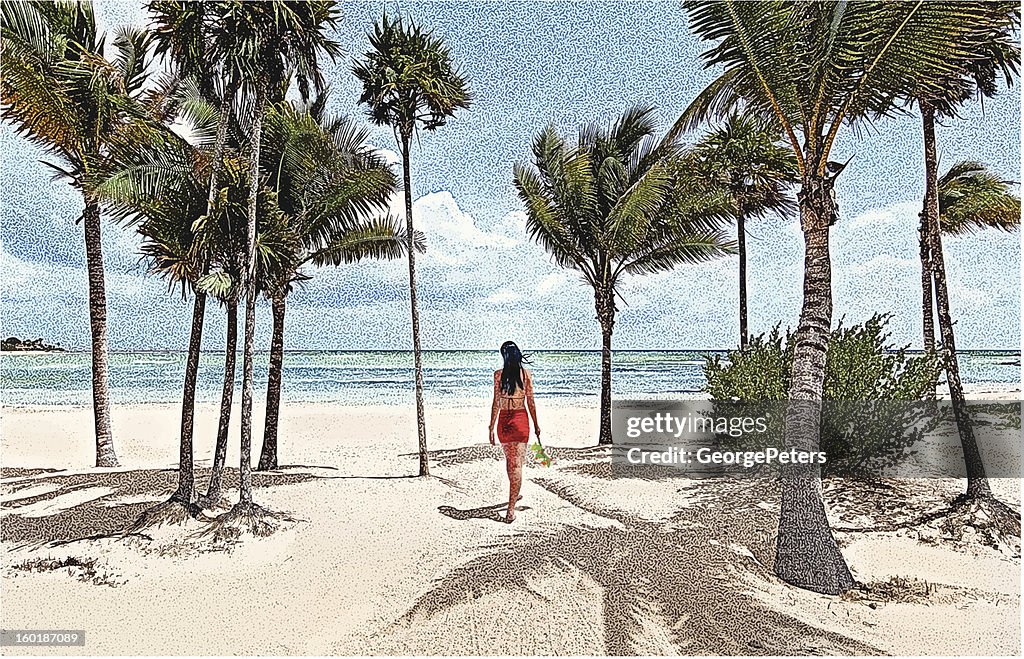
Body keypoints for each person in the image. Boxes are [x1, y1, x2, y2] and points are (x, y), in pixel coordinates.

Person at [488, 340, 541, 523]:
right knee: (517, 465)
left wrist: (491, 427)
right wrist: (536, 425)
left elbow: (496, 402)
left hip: (503, 420)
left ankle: (513, 494)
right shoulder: (525, 374)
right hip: (519, 419)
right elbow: (531, 402)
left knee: (511, 463)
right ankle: (511, 509)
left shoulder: (498, 375)